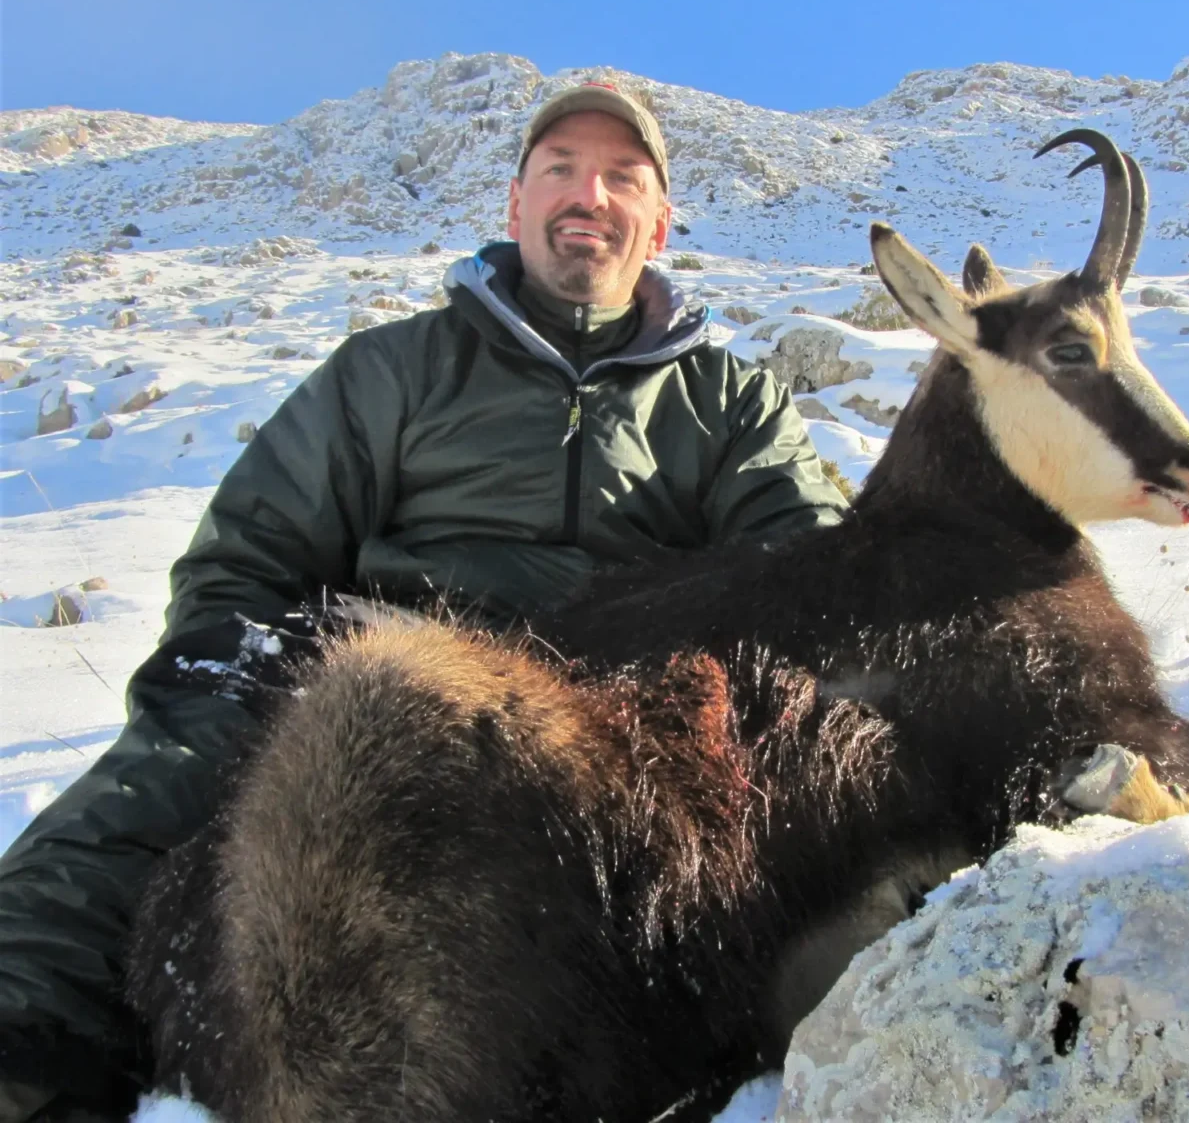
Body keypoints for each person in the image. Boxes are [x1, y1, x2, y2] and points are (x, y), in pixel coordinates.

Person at [0, 82, 848, 1122]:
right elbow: (251, 553)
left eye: (623, 177)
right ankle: (27, 1046)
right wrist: (223, 676)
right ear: (515, 203)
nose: (590, 194)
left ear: (659, 222)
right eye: (561, 169)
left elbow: (811, 576)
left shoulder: (731, 401)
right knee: (154, 779)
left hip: (619, 702)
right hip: (376, 666)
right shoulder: (393, 370)